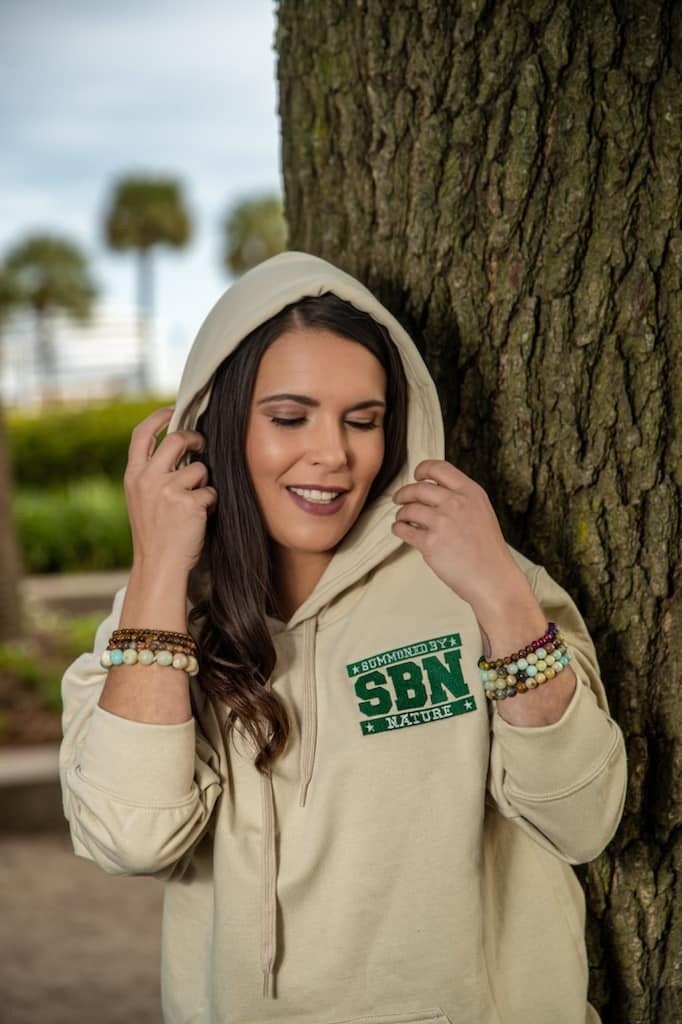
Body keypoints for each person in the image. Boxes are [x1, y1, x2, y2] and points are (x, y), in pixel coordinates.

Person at [60, 251, 627, 1024]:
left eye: (363, 421)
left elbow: (583, 819)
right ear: (222, 426)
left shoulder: (483, 583)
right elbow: (131, 839)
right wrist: (158, 568)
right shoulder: (152, 625)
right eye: (290, 417)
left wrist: (499, 593)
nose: (334, 453)